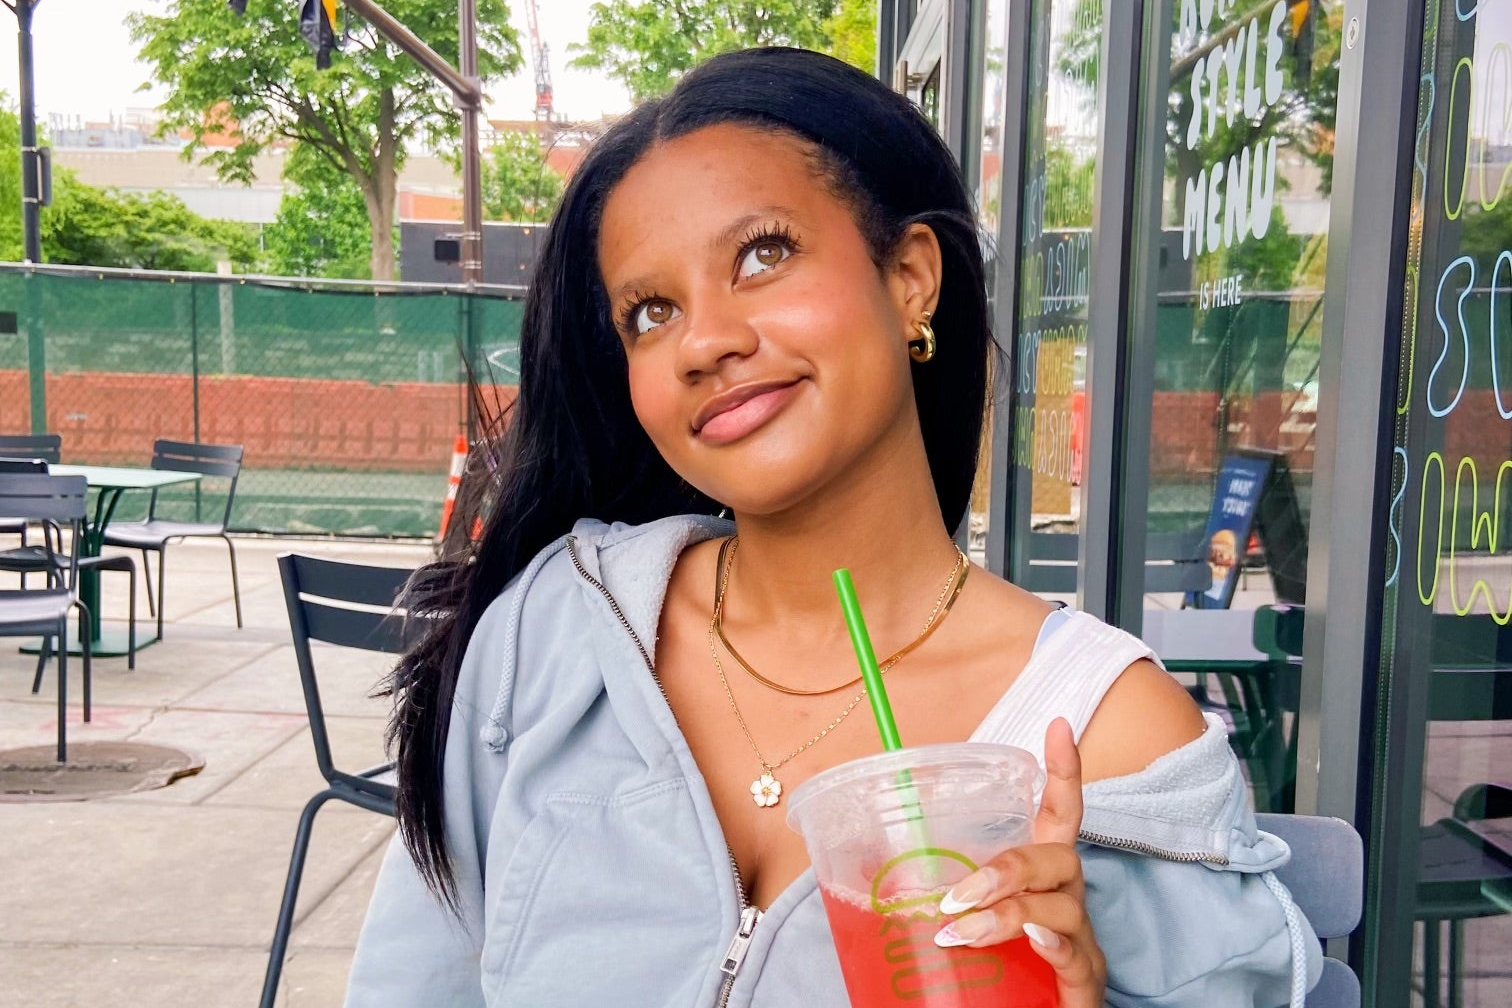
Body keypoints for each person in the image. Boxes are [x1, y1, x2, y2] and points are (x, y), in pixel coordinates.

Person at [345, 47, 1320, 1008]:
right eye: (649, 312)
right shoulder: (552, 636)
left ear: (910, 281)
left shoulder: (1109, 740)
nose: (705, 339)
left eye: (764, 255)